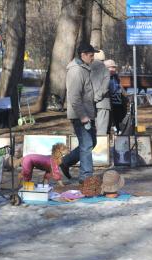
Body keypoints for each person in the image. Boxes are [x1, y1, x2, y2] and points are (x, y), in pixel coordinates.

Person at [59, 42, 98, 183]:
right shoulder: (76, 71)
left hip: (86, 114)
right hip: (80, 115)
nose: (93, 58)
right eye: (91, 55)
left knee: (91, 142)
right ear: (83, 55)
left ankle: (66, 162)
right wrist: (83, 116)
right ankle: (86, 177)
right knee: (87, 145)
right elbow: (74, 97)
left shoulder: (83, 68)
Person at [104, 59, 128, 134]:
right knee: (112, 119)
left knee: (120, 116)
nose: (114, 69)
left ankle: (119, 131)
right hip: (109, 102)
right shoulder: (104, 77)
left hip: (118, 100)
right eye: (111, 67)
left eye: (114, 67)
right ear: (106, 68)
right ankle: (114, 130)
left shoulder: (116, 76)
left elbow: (120, 87)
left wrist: (126, 96)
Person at [91, 50, 110, 135]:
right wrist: (97, 97)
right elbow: (104, 88)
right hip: (103, 102)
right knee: (101, 131)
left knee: (90, 129)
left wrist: (92, 98)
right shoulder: (105, 70)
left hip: (89, 102)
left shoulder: (87, 68)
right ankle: (100, 148)